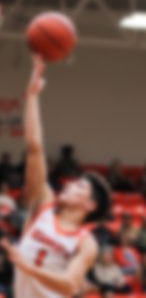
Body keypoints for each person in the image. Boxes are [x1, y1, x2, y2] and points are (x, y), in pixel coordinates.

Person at [1, 55, 111, 298]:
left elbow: (70, 284)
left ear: (90, 204)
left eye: (79, 187)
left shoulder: (85, 242)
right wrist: (31, 96)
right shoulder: (43, 205)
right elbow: (34, 149)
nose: (70, 185)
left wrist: (25, 265)